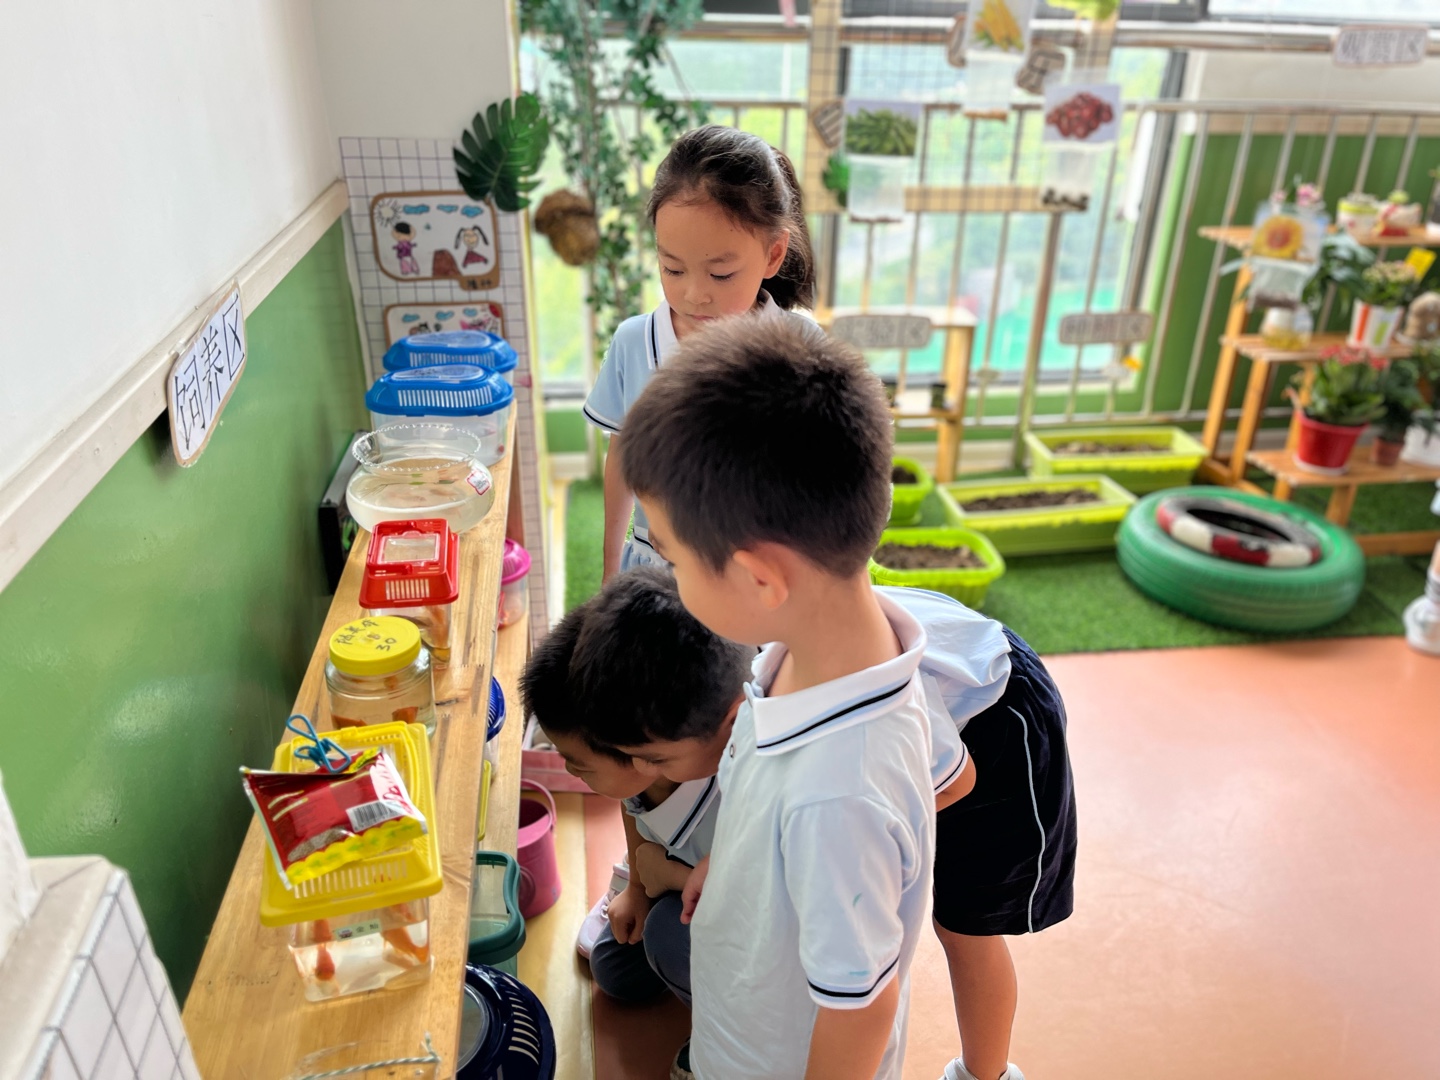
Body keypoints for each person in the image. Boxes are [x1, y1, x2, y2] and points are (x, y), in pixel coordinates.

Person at [611, 316, 947, 1080]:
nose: (669, 578)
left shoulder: (837, 793)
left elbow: (861, 1010)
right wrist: (729, 867)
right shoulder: (808, 651)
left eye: (672, 558)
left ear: (760, 579)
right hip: (739, 1017)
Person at [588, 577, 1076, 1080]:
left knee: (965, 931)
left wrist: (870, 833)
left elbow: (956, 782)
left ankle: (985, 1073)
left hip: (996, 718)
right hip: (926, 718)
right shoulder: (762, 679)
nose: (646, 774)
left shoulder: (844, 731)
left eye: (657, 760)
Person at [582, 124, 825, 582]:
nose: (694, 295)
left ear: (773, 255)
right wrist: (610, 567)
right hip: (656, 575)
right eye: (672, 268)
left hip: (758, 579)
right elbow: (622, 459)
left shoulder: (803, 348)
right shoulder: (635, 343)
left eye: (721, 274)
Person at [517, 591, 750, 1009]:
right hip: (676, 882)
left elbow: (750, 897)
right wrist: (640, 886)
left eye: (579, 762)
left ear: (640, 754)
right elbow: (633, 809)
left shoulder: (727, 789)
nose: (569, 769)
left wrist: (663, 875)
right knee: (613, 969)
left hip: (735, 914)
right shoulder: (642, 777)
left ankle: (724, 1022)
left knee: (665, 936)